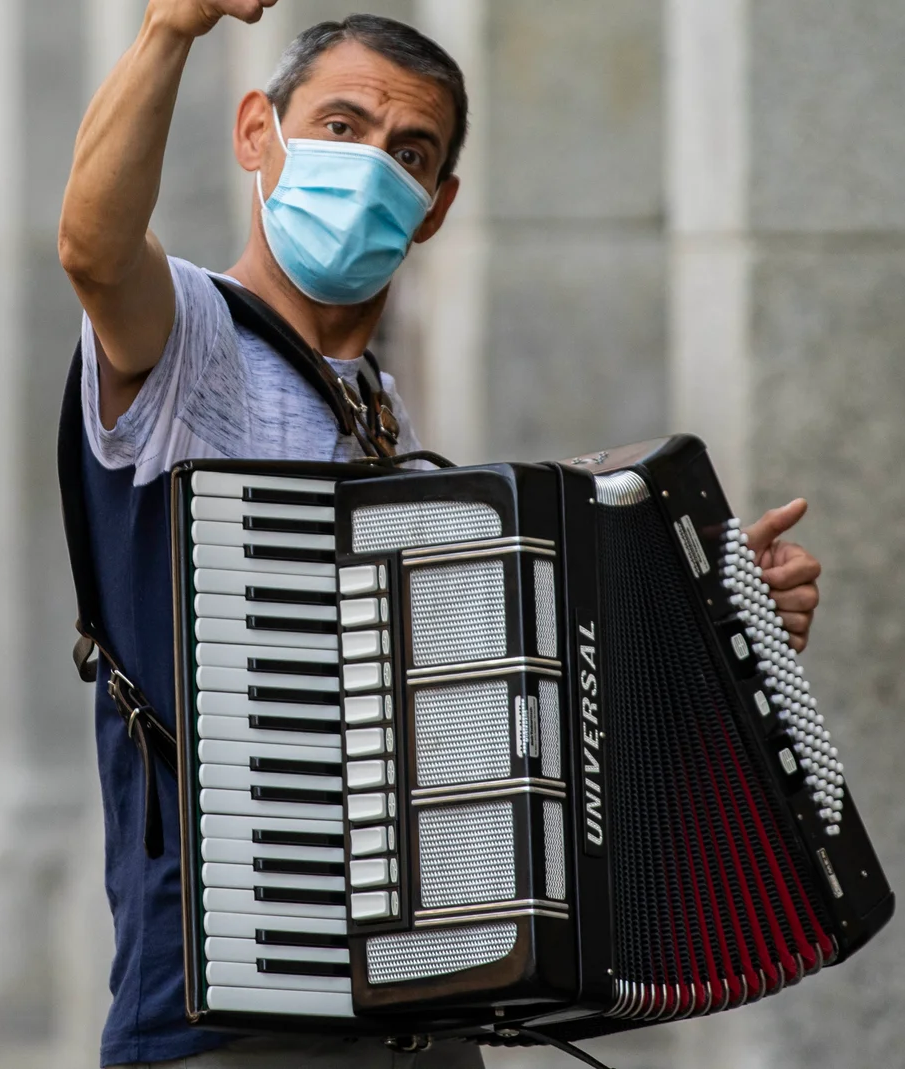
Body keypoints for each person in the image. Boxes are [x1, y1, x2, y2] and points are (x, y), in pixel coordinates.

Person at [56, 5, 826, 1067]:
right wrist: (166, 35)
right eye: (339, 126)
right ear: (255, 135)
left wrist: (727, 643)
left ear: (434, 208)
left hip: (425, 1007)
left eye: (407, 152)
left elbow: (525, 733)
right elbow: (94, 253)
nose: (370, 165)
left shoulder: (387, 425)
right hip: (232, 1009)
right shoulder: (193, 338)